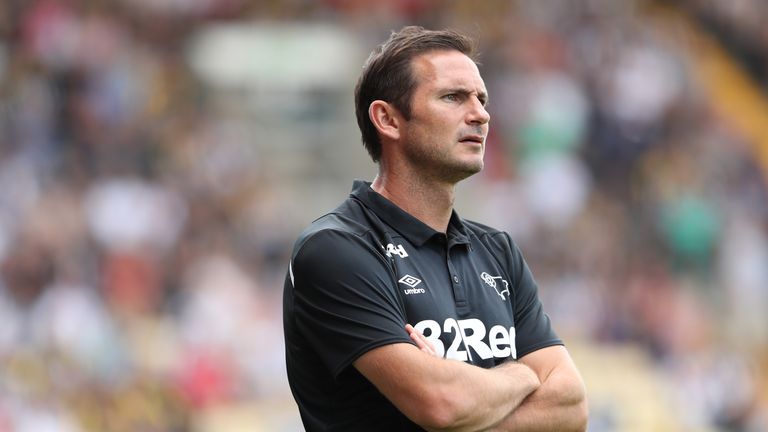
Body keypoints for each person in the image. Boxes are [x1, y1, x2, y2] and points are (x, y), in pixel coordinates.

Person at [283, 26, 588, 431]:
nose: (480, 114)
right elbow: (442, 404)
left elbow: (571, 407)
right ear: (388, 119)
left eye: (482, 99)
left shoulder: (498, 251)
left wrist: (462, 400)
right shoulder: (336, 249)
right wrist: (522, 375)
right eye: (453, 97)